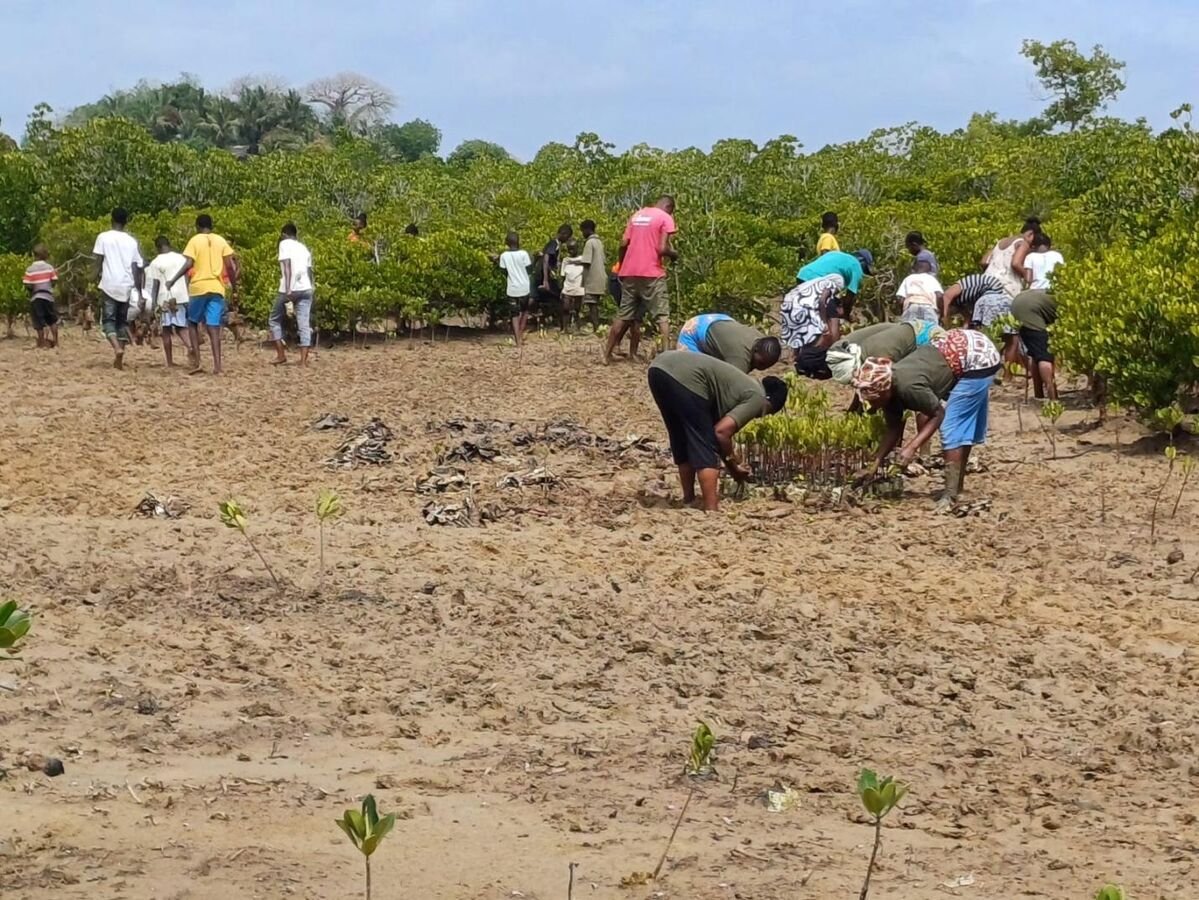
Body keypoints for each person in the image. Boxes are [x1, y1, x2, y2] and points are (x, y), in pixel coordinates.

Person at [856, 328, 1001, 510]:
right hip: (957, 351)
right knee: (958, 428)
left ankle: (951, 495)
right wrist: (875, 464)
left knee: (952, 427)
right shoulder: (889, 393)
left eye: (873, 398)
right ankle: (956, 488)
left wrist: (911, 448)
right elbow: (893, 428)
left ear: (885, 390)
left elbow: (937, 414)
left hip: (978, 358)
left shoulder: (908, 386)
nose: (871, 403)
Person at [647, 350, 788, 511]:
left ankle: (689, 499)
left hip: (659, 368)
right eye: (765, 413)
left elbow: (718, 433)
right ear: (769, 404)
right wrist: (734, 465)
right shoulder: (757, 398)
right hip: (686, 378)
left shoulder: (743, 385)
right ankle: (711, 508)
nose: (758, 416)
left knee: (682, 437)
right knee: (704, 447)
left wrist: (731, 465)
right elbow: (721, 433)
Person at [604, 196, 678, 363]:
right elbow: (661, 248)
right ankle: (666, 357)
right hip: (652, 273)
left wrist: (623, 265)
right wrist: (674, 255)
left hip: (630, 272)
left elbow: (623, 243)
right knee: (662, 316)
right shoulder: (665, 217)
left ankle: (606, 355)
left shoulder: (637, 215)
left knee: (623, 315)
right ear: (669, 207)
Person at [168, 213, 237, 376]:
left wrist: (173, 280)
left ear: (198, 226)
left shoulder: (195, 240)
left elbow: (189, 264)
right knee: (214, 327)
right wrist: (234, 287)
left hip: (199, 287)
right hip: (217, 287)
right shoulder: (221, 240)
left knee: (192, 323)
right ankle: (218, 366)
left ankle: (197, 362)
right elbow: (230, 266)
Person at [797, 320, 941, 383]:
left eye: (815, 377)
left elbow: (880, 383)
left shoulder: (870, 357)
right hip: (909, 330)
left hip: (924, 337)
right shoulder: (840, 354)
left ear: (821, 372)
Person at [93, 208, 144, 370]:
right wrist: (139, 290)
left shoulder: (104, 237)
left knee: (108, 321)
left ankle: (117, 348)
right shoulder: (131, 241)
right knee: (122, 322)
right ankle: (120, 358)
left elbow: (98, 261)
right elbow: (136, 267)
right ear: (126, 221)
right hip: (126, 285)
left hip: (109, 284)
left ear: (111, 219)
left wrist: (93, 277)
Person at [270, 223, 316, 367]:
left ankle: (281, 355)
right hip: (306, 288)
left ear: (284, 234)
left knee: (274, 319)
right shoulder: (303, 248)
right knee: (304, 323)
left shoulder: (284, 244)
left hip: (289, 288)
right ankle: (303, 360)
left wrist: (289, 288)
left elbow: (287, 266)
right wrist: (311, 286)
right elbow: (309, 271)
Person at [145, 236, 194, 368]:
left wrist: (154, 302)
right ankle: (190, 346)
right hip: (182, 295)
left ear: (157, 247)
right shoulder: (181, 258)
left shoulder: (155, 263)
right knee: (181, 326)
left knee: (166, 330)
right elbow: (187, 277)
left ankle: (170, 361)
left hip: (165, 297)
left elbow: (155, 284)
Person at [677, 313, 781, 373]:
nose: (762, 368)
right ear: (756, 349)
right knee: (693, 377)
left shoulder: (762, 340)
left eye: (767, 365)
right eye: (761, 363)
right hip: (693, 330)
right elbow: (730, 387)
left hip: (720, 319)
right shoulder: (739, 357)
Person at [1012, 289, 1058, 400]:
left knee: (1035, 353)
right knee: (1044, 356)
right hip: (1030, 310)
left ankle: (1039, 394)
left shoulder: (1055, 294)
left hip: (1018, 303)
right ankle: (1053, 397)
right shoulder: (1070, 303)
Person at [492, 232, 533, 347]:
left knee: (514, 314)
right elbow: (529, 269)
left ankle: (517, 341)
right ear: (518, 241)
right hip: (524, 287)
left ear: (507, 243)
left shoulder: (504, 256)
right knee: (524, 311)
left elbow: (504, 271)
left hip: (512, 289)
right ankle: (520, 333)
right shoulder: (524, 254)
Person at [939, 272, 1010, 328]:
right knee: (980, 317)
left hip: (990, 285)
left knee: (983, 316)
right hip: (987, 292)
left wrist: (944, 317)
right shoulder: (961, 303)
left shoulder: (948, 295)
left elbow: (946, 296)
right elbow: (967, 317)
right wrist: (965, 329)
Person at [23, 245, 59, 349]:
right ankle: (56, 343)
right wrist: (49, 286)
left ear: (34, 255)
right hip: (48, 297)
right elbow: (54, 280)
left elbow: (27, 284)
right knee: (52, 320)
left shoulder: (30, 269)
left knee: (38, 322)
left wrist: (32, 290)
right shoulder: (49, 267)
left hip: (36, 297)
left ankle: (42, 343)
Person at [576, 220, 607, 332]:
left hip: (592, 278)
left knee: (591, 304)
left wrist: (583, 281)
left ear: (587, 230)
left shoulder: (589, 243)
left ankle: (596, 327)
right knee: (594, 304)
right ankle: (596, 326)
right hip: (601, 276)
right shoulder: (599, 242)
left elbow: (586, 262)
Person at [539, 224, 573, 321]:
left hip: (549, 275)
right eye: (568, 236)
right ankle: (560, 321)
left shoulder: (556, 245)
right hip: (545, 276)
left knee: (554, 298)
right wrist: (545, 280)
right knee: (557, 297)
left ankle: (552, 318)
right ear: (564, 234)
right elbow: (546, 259)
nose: (567, 239)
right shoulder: (554, 244)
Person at [895, 259, 943, 326]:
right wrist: (941, 312)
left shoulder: (908, 278)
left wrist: (902, 311)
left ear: (913, 269)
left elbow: (900, 298)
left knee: (909, 332)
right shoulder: (931, 279)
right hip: (928, 307)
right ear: (929, 271)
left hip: (911, 306)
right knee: (930, 332)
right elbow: (939, 296)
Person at [559, 240, 585, 331]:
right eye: (569, 249)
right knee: (565, 308)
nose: (571, 251)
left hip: (579, 288)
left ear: (577, 248)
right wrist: (562, 288)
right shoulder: (565, 260)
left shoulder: (583, 259)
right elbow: (563, 275)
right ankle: (565, 328)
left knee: (577, 309)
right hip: (567, 287)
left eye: (573, 249)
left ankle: (577, 327)